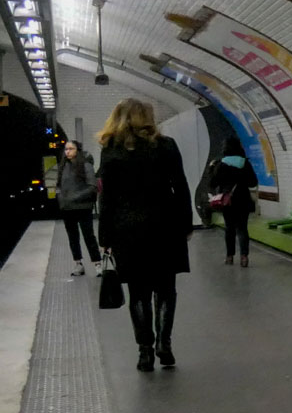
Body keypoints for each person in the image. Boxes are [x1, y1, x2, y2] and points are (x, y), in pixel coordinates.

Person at [97, 98, 191, 372]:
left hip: (128, 230)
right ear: (147, 118)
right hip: (165, 226)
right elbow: (181, 187)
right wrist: (186, 225)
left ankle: (145, 352)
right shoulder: (166, 145)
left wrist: (105, 237)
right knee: (166, 289)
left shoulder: (111, 150)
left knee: (138, 292)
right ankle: (164, 343)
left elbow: (107, 198)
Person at [55, 140, 102, 277]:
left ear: (78, 150)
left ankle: (97, 264)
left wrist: (74, 197)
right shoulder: (63, 166)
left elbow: (92, 186)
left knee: (89, 236)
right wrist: (61, 198)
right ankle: (78, 263)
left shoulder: (86, 165)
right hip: (67, 208)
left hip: (83, 207)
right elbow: (58, 185)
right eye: (66, 149)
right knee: (72, 237)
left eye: (71, 149)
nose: (67, 151)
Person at [210, 137, 258, 267]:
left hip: (228, 201)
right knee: (242, 228)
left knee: (229, 228)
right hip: (243, 200)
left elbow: (212, 183)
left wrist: (212, 169)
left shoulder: (221, 164)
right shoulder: (245, 163)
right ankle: (244, 257)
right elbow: (253, 183)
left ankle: (229, 256)